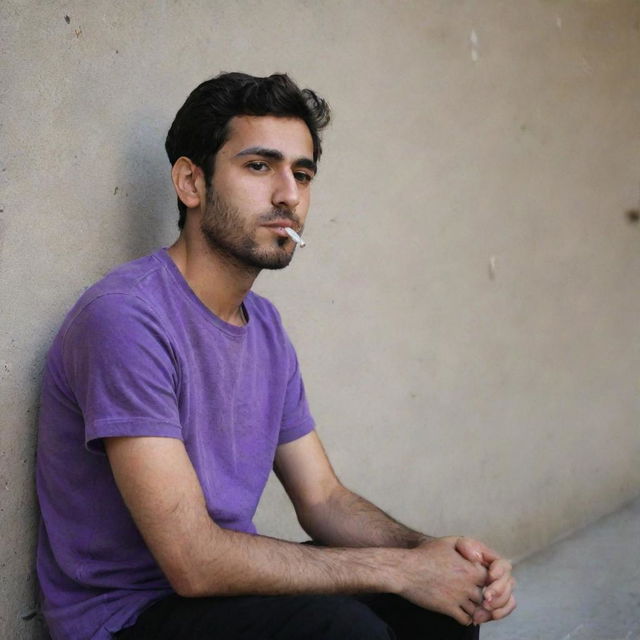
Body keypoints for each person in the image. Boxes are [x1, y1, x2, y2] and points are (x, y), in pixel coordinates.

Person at [36, 72, 516, 640]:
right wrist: (399, 570)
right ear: (191, 182)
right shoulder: (126, 318)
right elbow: (191, 560)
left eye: (303, 173)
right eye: (259, 166)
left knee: (439, 608)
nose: (289, 194)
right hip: (129, 617)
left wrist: (436, 555)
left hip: (217, 594)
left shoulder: (263, 326)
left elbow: (323, 499)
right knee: (344, 631)